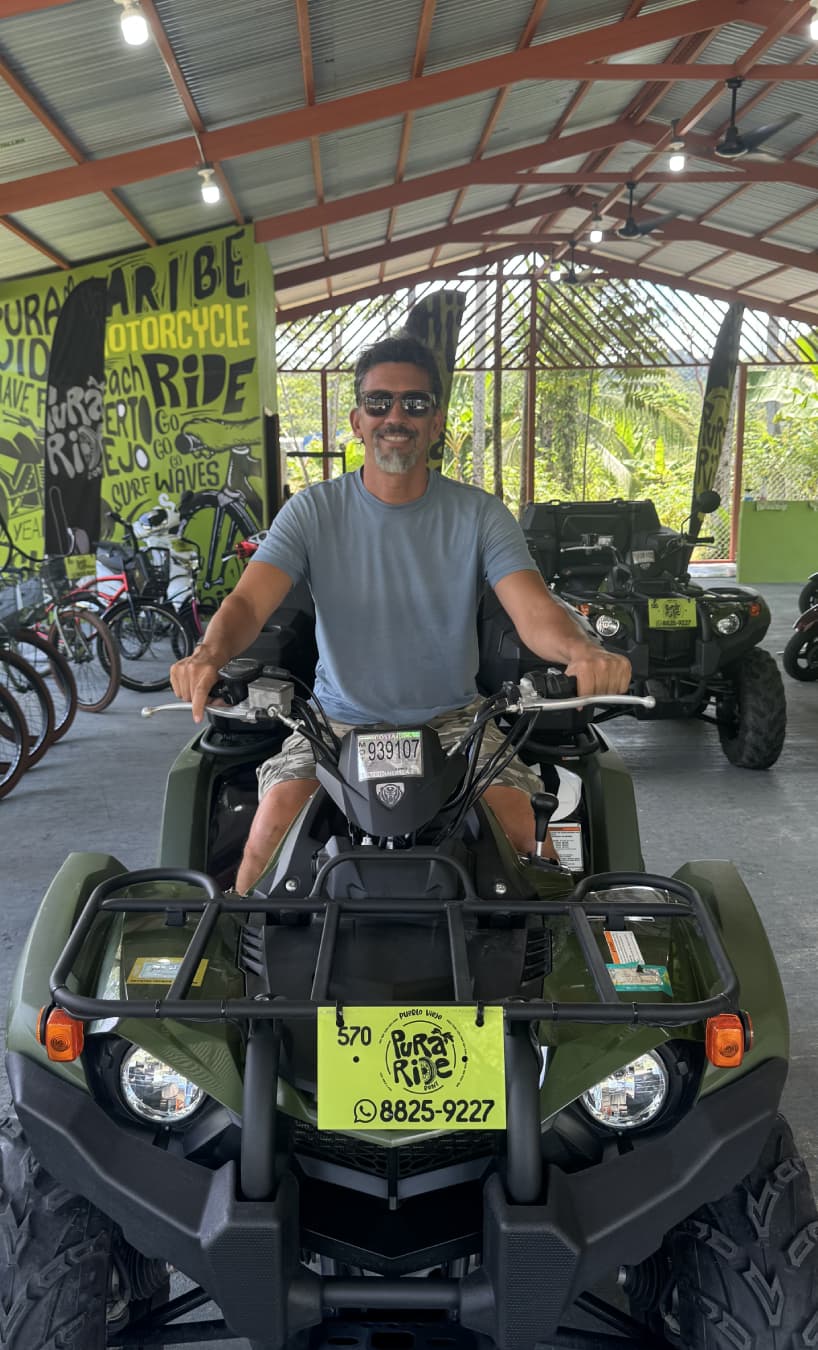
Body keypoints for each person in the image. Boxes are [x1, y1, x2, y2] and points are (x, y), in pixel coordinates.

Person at [170, 335, 631, 892]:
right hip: (336, 724)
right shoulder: (312, 512)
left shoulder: (479, 514)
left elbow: (533, 609)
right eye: (379, 402)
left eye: (414, 404)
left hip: (457, 721)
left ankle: (546, 973)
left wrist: (584, 650)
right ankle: (236, 974)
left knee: (523, 834)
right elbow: (247, 602)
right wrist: (208, 654)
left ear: (436, 422)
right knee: (268, 834)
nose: (396, 415)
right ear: (357, 420)